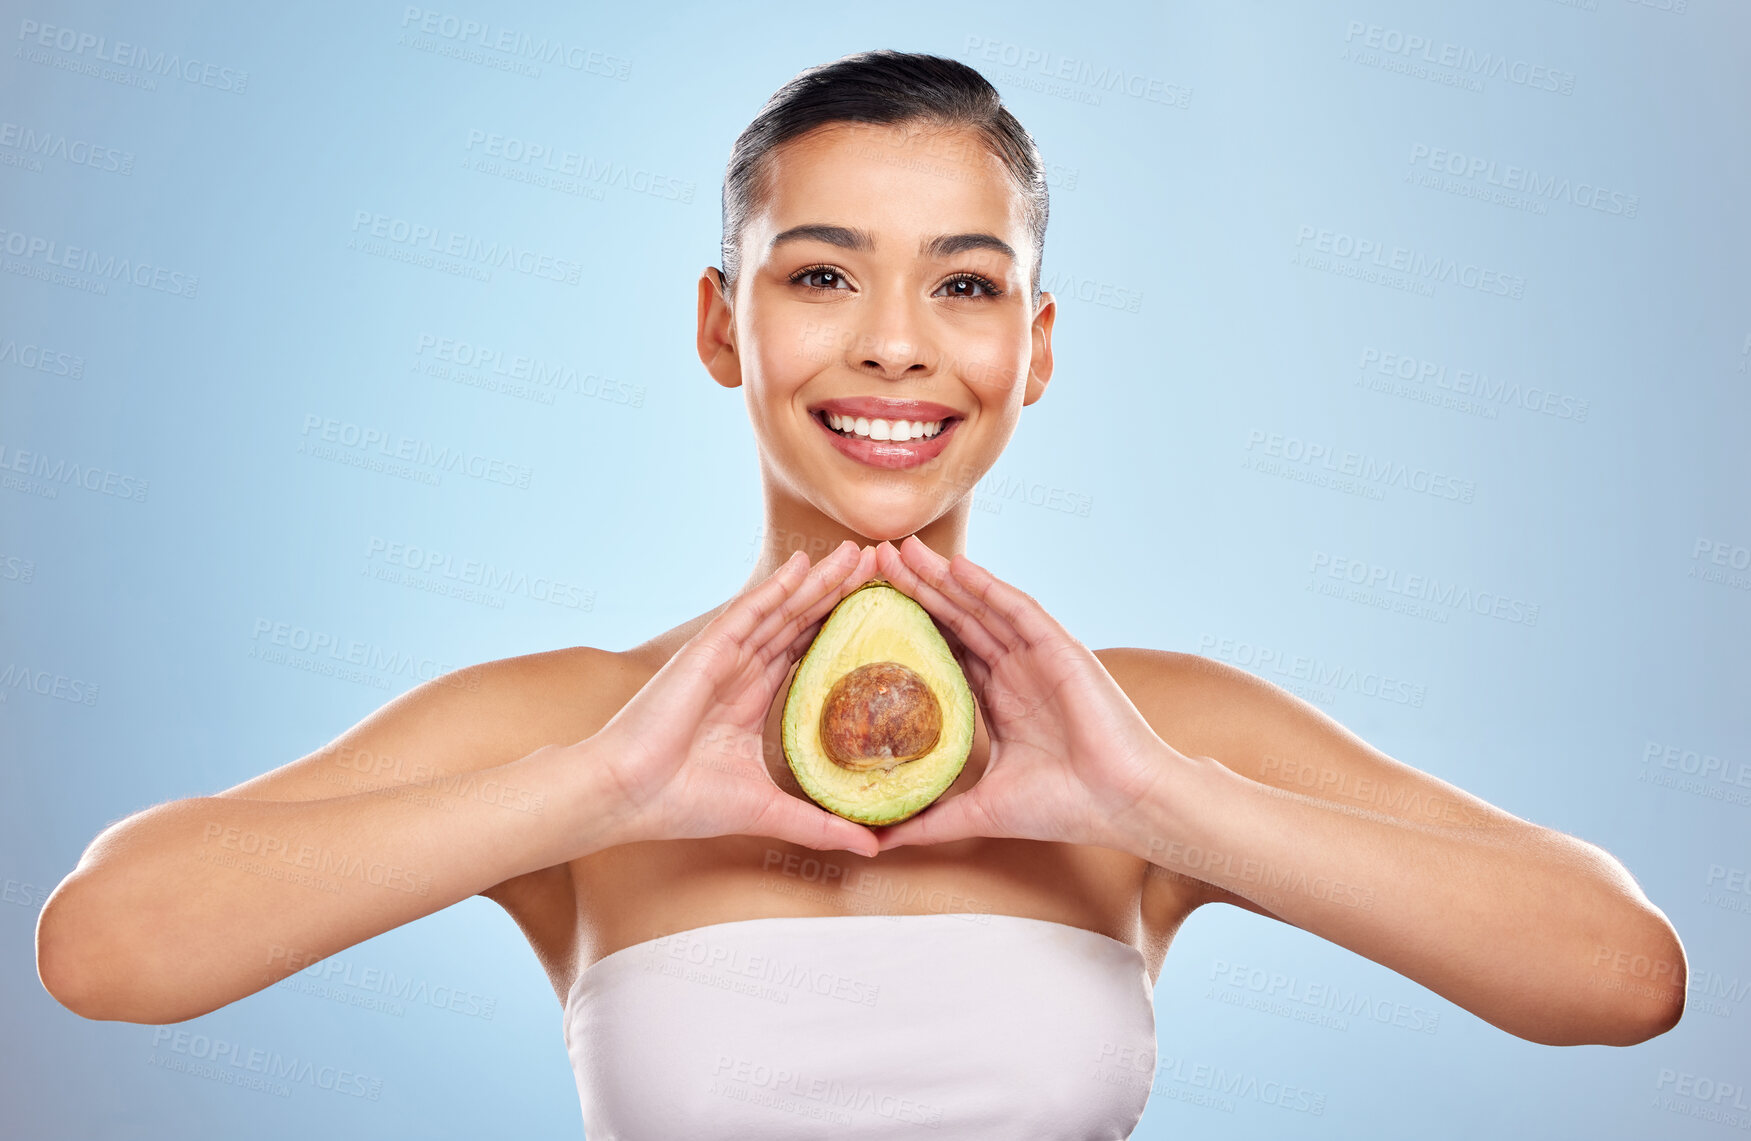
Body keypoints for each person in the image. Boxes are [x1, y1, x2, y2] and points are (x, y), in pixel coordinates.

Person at [35, 50, 1684, 1139]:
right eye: (821, 273)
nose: (895, 340)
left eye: (965, 283)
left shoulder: (1156, 733)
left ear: (1031, 351)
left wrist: (1159, 801)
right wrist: (606, 787)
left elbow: (1622, 976)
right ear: (718, 325)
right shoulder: (569, 730)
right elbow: (106, 945)